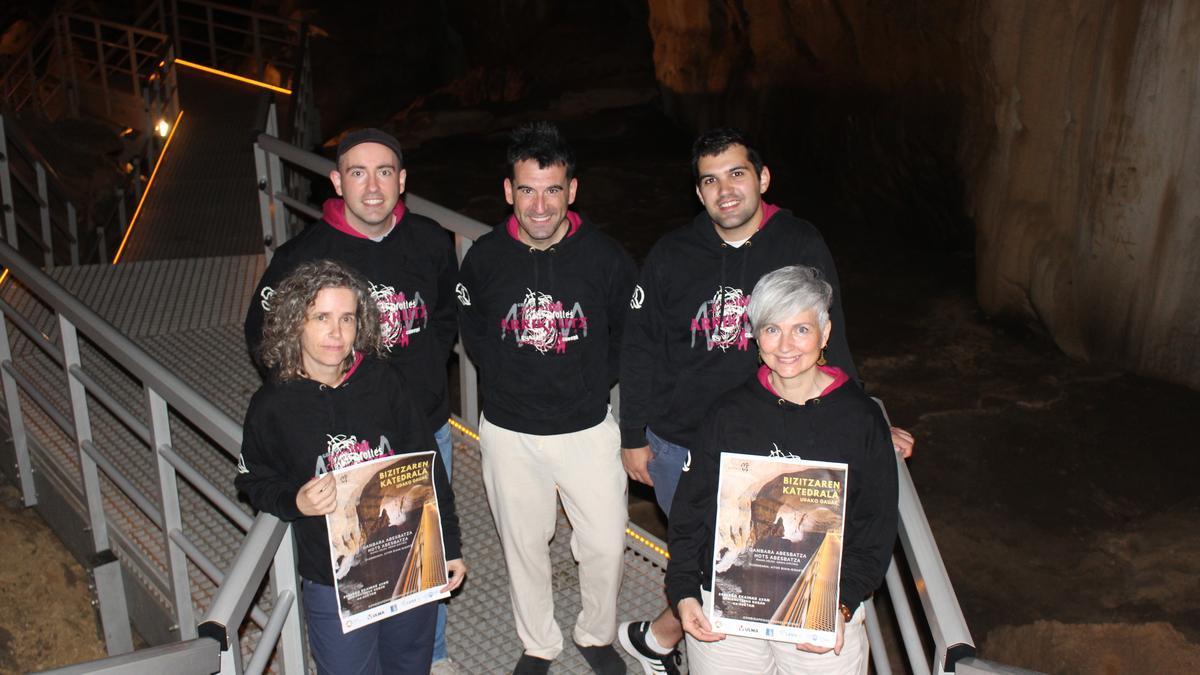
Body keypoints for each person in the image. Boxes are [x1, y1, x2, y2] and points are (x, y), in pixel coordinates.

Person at [616, 128, 913, 673]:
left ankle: (660, 639)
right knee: (713, 562)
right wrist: (633, 436)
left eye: (737, 174)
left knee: (762, 561)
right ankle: (675, 637)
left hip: (776, 439)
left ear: (762, 178)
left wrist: (861, 414)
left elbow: (829, 330)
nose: (725, 189)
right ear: (698, 192)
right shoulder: (672, 253)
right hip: (681, 442)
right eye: (710, 180)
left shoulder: (798, 242)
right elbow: (639, 347)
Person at [243, 128, 461, 670]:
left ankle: (428, 656)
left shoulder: (432, 239)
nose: (371, 186)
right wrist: (309, 399)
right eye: (357, 173)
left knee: (418, 558)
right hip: (334, 443)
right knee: (345, 569)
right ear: (337, 181)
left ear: (402, 180)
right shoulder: (304, 254)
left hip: (421, 425)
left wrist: (428, 377)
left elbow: (448, 318)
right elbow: (261, 329)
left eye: (384, 172)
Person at [456, 122, 637, 674]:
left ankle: (597, 633)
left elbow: (629, 333)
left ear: (571, 191)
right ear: (509, 190)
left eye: (553, 189)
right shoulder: (484, 258)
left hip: (587, 427)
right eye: (528, 189)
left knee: (605, 544)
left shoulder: (606, 257)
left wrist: (587, 384)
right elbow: (474, 334)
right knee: (524, 547)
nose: (540, 205)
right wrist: (515, 379)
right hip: (510, 431)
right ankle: (539, 643)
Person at [666, 264, 898, 673]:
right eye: (772, 329)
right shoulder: (729, 413)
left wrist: (841, 606)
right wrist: (684, 591)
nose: (786, 345)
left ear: (825, 333)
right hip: (729, 610)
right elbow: (692, 508)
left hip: (820, 608)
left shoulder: (860, 420)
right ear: (755, 336)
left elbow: (875, 525)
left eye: (801, 329)